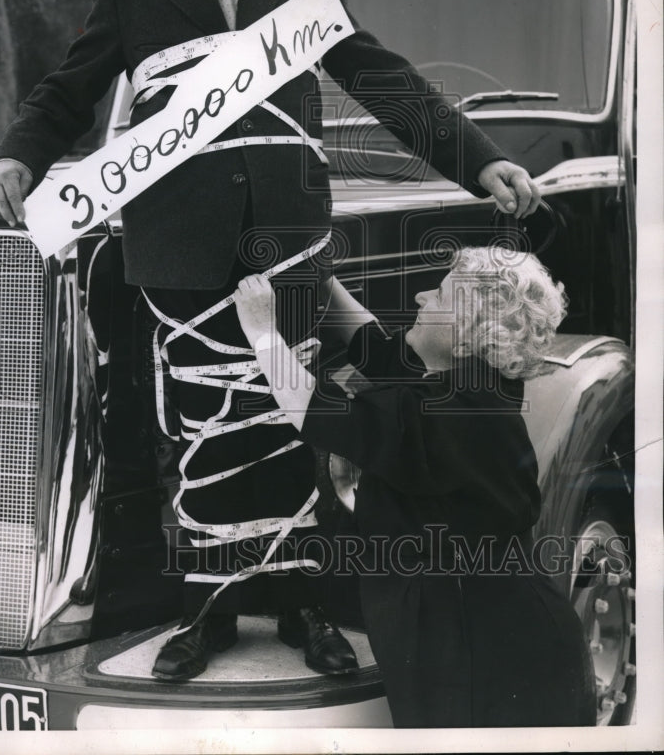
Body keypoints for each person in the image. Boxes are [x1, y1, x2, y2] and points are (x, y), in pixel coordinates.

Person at [0, 0, 542, 683]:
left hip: (288, 245)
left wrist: (479, 161)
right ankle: (207, 608)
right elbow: (69, 87)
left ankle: (302, 603)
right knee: (202, 429)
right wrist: (19, 153)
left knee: (292, 422)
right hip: (179, 248)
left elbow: (383, 80)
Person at [233, 247, 597, 726]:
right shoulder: (477, 383)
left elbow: (315, 411)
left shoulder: (446, 416)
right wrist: (323, 277)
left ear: (468, 336)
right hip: (504, 636)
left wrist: (262, 332)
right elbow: (382, 352)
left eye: (440, 295)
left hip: (486, 662)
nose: (422, 296)